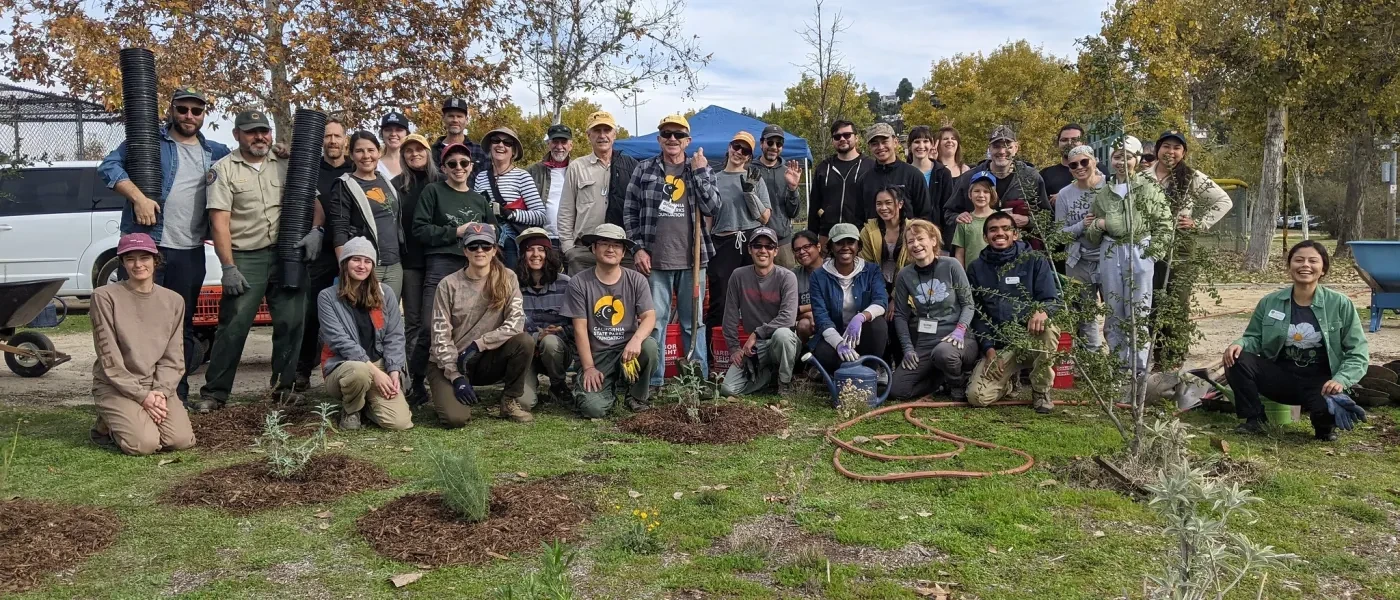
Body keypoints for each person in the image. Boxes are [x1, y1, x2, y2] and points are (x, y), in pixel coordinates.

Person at [98, 87, 230, 405]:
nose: (188, 116)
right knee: (137, 323)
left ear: (203, 115)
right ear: (171, 110)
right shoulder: (148, 143)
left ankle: (175, 395)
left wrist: (279, 152)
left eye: (196, 111)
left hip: (190, 251)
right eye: (182, 109)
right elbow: (108, 168)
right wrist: (139, 198)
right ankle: (135, 394)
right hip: (150, 246)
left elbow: (248, 166)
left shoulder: (216, 151)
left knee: (180, 325)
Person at [197, 110, 308, 411]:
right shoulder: (224, 170)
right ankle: (215, 393)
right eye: (251, 132)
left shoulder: (286, 164)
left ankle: (283, 389)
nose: (259, 137)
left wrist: (317, 232)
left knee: (291, 322)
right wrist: (228, 267)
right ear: (237, 135)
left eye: (264, 131)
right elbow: (219, 221)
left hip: (286, 254)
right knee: (233, 325)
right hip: (246, 256)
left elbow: (312, 199)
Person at [1223, 241, 1369, 441]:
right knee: (1237, 358)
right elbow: (1254, 337)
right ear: (1290, 266)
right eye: (1298, 260)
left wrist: (1341, 381)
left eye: (1313, 261)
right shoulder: (1270, 302)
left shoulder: (1340, 304)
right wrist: (1240, 344)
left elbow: (1357, 352)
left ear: (1323, 269)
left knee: (1326, 419)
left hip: (1321, 383)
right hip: (1281, 378)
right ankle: (1254, 418)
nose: (1305, 265)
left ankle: (1324, 426)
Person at [624, 114, 720, 386]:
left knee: (695, 323)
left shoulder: (700, 168)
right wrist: (638, 249)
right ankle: (653, 381)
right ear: (659, 139)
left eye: (678, 135)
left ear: (688, 141)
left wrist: (701, 173)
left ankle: (696, 380)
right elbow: (630, 211)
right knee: (655, 322)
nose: (672, 139)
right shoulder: (644, 169)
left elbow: (714, 208)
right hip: (655, 262)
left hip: (693, 261)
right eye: (667, 134)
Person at [89, 233, 196, 455]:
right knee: (144, 444)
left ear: (155, 260)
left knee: (180, 440)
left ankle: (131, 416)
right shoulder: (104, 297)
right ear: (123, 263)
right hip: (116, 384)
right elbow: (109, 357)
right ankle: (108, 423)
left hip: (154, 384)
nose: (138, 265)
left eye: (144, 257)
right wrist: (141, 396)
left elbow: (173, 356)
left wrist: (159, 391)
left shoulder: (173, 301)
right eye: (130, 259)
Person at [427, 223, 536, 426]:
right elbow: (440, 337)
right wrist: (455, 375)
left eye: (485, 246)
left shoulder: (508, 278)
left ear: (494, 250)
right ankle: (447, 392)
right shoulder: (448, 284)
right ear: (464, 250)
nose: (480, 251)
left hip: (485, 357)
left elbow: (516, 322)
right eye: (473, 246)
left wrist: (479, 344)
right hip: (450, 361)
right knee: (455, 419)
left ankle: (509, 400)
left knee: (525, 341)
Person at [1084, 136, 1172, 389]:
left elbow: (1165, 225)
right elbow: (1091, 235)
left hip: (1139, 248)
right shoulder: (1104, 192)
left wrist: (1151, 254)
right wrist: (1099, 226)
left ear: (1137, 159)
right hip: (1111, 251)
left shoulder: (1148, 188)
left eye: (1128, 156)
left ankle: (1139, 369)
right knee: (1114, 310)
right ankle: (1119, 367)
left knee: (1138, 310)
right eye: (1117, 156)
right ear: (1111, 160)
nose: (1122, 162)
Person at [408, 143, 493, 403]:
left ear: (471, 167)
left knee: (467, 325)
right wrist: (456, 231)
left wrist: (482, 235)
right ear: (443, 167)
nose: (459, 168)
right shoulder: (433, 191)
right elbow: (419, 229)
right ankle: (417, 381)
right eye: (452, 163)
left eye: (464, 163)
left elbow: (494, 229)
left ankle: (459, 375)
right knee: (428, 325)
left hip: (474, 266)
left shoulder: (479, 198)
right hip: (441, 263)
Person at [1150, 129, 1234, 371]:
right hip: (1150, 241)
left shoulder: (1192, 177)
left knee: (1176, 300)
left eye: (1177, 148)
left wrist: (1199, 222)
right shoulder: (1144, 176)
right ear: (1158, 149)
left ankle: (1174, 357)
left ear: (1183, 152)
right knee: (1154, 299)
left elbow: (1223, 201)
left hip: (1180, 244)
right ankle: (1158, 356)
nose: (1171, 152)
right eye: (1166, 146)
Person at [965, 212, 1061, 413]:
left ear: (1015, 234)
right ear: (985, 237)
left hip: (1031, 339)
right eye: (993, 230)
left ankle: (1041, 391)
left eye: (1005, 229)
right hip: (1002, 345)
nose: (999, 233)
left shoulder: (1035, 260)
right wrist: (989, 348)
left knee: (1049, 328)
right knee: (978, 397)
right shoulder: (976, 268)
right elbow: (978, 313)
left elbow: (1052, 300)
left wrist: (1042, 311)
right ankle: (1008, 381)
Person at [564, 224, 660, 416]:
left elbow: (649, 317)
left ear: (623, 251)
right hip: (597, 355)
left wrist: (636, 339)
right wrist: (589, 367)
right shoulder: (579, 283)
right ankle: (605, 388)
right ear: (593, 248)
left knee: (649, 346)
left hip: (627, 352)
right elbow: (580, 329)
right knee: (593, 409)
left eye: (616, 245)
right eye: (604, 244)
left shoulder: (637, 280)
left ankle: (636, 395)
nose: (610, 249)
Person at [317, 237, 412, 431]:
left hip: (380, 364)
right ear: (344, 263)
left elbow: (395, 335)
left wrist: (394, 369)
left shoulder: (384, 293)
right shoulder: (327, 297)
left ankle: (367, 403)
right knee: (359, 372)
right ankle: (352, 409)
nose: (362, 266)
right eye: (356, 260)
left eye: (367, 261)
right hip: (344, 366)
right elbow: (339, 341)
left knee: (400, 423)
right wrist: (375, 372)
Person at [296, 117, 356, 390]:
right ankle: (301, 371)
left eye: (337, 136)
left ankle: (355, 368)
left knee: (356, 309)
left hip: (352, 251)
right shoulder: (309, 170)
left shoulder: (356, 169)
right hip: (320, 252)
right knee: (311, 314)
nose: (332, 141)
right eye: (327, 136)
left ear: (345, 139)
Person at [889, 220, 977, 401]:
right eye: (910, 241)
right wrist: (908, 349)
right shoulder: (905, 275)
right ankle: (939, 380)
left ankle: (957, 381)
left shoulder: (951, 265)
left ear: (933, 241)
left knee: (944, 354)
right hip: (926, 341)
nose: (916, 245)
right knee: (897, 390)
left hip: (957, 339)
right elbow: (900, 314)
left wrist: (960, 330)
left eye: (920, 239)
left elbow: (968, 304)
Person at [720, 227, 799, 396]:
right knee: (728, 389)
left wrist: (757, 333)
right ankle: (767, 378)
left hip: (782, 342)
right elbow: (730, 315)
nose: (763, 250)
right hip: (756, 348)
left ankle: (785, 383)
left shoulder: (787, 277)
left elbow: (788, 318)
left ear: (776, 251)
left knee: (782, 335)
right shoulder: (738, 276)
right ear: (750, 249)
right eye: (757, 245)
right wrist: (734, 348)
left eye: (769, 246)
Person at [944, 125, 1049, 251]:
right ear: (989, 149)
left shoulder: (1030, 177)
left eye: (1007, 146)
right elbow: (948, 213)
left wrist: (1028, 220)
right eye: (996, 146)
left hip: (1020, 253)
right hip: (979, 253)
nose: (1002, 151)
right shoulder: (969, 178)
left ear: (1016, 148)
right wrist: (958, 217)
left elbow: (1048, 217)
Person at [559, 111, 639, 273]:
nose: (602, 135)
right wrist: (568, 248)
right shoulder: (577, 167)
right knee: (583, 298)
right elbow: (566, 210)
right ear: (588, 135)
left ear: (614, 134)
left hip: (621, 251)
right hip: (584, 252)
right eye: (597, 131)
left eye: (606, 130)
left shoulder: (631, 165)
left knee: (621, 298)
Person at [706, 131, 771, 329]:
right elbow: (709, 217)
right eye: (737, 147)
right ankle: (715, 350)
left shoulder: (755, 178)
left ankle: (757, 347)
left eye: (745, 150)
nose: (739, 152)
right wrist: (705, 245)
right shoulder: (713, 179)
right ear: (729, 147)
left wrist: (750, 193)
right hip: (723, 242)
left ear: (749, 157)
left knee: (756, 297)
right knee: (721, 297)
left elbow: (765, 217)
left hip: (752, 240)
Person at [807, 223, 889, 374]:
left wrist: (860, 317)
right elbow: (821, 317)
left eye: (850, 242)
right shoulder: (818, 276)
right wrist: (839, 343)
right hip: (833, 335)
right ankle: (847, 373)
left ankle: (870, 371)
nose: (845, 247)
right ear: (831, 247)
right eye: (839, 243)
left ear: (858, 246)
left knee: (878, 325)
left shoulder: (871, 270)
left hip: (862, 335)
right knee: (825, 353)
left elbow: (881, 301)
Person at [329, 131, 404, 297]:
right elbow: (339, 231)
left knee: (388, 317)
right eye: (359, 151)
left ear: (379, 152)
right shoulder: (344, 185)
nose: (366, 156)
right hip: (365, 266)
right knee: (366, 317)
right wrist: (346, 268)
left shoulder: (385, 181)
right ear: (352, 155)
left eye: (371, 150)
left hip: (394, 265)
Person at [392, 132, 439, 389]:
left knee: (434, 321)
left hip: (438, 261)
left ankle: (436, 372)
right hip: (409, 261)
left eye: (419, 149)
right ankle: (413, 379)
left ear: (427, 153)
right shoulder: (396, 185)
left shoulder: (442, 182)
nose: (414, 154)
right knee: (413, 322)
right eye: (408, 151)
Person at [1053, 145, 1106, 353]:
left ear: (1094, 161)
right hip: (1078, 259)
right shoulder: (1065, 195)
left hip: (1108, 256)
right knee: (1085, 313)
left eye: (1084, 162)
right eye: (1074, 164)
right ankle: (1092, 360)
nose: (1080, 167)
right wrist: (1081, 225)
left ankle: (1121, 363)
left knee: (1117, 309)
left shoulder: (1108, 188)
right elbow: (1059, 234)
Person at [515, 227, 573, 407]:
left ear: (548, 253)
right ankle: (527, 385)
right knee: (525, 403)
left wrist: (560, 331)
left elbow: (578, 325)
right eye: (529, 249)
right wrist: (535, 336)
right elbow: (507, 325)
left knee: (550, 342)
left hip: (558, 351)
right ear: (522, 254)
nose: (535, 254)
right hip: (526, 353)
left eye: (540, 249)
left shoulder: (566, 284)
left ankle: (557, 385)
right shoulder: (512, 285)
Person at [475, 127, 546, 270]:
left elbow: (540, 215)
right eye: (496, 141)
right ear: (490, 146)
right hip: (486, 239)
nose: (501, 145)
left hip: (511, 243)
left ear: (514, 151)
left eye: (507, 143)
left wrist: (511, 214)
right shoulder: (480, 177)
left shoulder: (522, 176)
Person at [808, 120, 874, 240]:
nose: (842, 139)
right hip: (827, 236)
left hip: (861, 235)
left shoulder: (870, 167)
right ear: (833, 141)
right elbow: (814, 205)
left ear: (857, 138)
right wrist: (812, 237)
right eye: (837, 136)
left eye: (847, 135)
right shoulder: (823, 167)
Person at [861, 122, 936, 226]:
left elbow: (924, 215)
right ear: (869, 147)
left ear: (895, 142)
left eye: (885, 141)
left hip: (908, 238)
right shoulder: (865, 179)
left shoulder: (913, 175)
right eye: (875, 144)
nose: (880, 147)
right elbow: (860, 217)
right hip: (874, 240)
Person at [752, 124, 804, 268]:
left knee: (786, 287)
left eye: (779, 143)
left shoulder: (788, 172)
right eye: (770, 142)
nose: (774, 147)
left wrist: (793, 189)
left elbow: (793, 212)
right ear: (761, 143)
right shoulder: (749, 170)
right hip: (755, 243)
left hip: (782, 244)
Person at [858, 185, 911, 290]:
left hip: (907, 286)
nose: (883, 208)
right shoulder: (868, 231)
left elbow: (913, 267)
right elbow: (866, 266)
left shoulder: (912, 230)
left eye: (888, 203)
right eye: (879, 204)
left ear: (900, 204)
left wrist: (896, 295)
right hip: (875, 286)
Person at [525, 124, 573, 240]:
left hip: (572, 239)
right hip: (541, 237)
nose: (559, 146)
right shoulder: (532, 171)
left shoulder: (579, 170)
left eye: (563, 142)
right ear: (549, 144)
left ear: (571, 145)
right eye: (555, 142)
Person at [904, 125, 954, 221]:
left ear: (931, 144)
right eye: (917, 142)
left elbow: (948, 208)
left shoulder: (943, 173)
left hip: (937, 231)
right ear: (910, 146)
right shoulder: (904, 173)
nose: (921, 146)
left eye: (925, 141)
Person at [952, 172, 999, 267]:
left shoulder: (1000, 219)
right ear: (970, 194)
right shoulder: (964, 221)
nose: (981, 195)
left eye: (986, 191)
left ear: (992, 195)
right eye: (977, 191)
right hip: (972, 276)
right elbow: (959, 254)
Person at [431, 97, 487, 171]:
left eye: (459, 116)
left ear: (466, 120)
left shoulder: (479, 151)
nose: (455, 120)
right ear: (443, 118)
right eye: (451, 116)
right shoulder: (431, 152)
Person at [1039, 123, 1087, 204]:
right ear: (1057, 144)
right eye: (1064, 140)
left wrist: (1064, 196)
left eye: (1075, 139)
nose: (1069, 143)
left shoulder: (1098, 170)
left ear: (1084, 143)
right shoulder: (1045, 174)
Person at [790, 230, 823, 347]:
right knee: (803, 324)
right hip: (808, 325)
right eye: (797, 250)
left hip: (833, 320)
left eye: (806, 247)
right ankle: (804, 360)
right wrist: (808, 314)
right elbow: (788, 311)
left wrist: (806, 309)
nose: (802, 252)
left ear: (818, 247)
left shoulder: (832, 269)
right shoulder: (792, 275)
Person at [377, 111, 410, 179]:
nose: (393, 134)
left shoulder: (413, 162)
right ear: (382, 134)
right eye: (388, 130)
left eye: (399, 130)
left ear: (407, 134)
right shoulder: (375, 165)